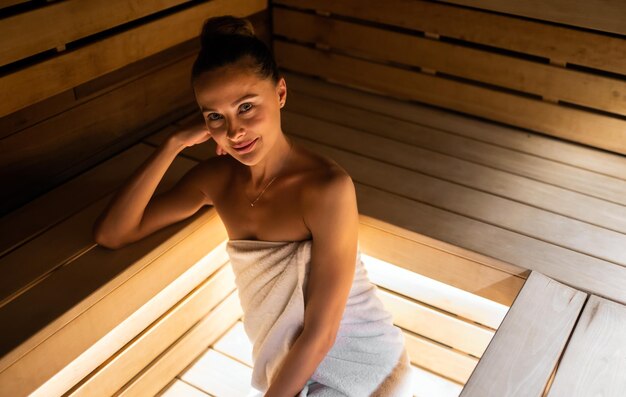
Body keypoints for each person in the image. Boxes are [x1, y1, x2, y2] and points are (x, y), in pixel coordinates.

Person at [93, 15, 412, 397]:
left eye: (246, 107)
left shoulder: (327, 188)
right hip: (294, 369)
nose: (233, 132)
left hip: (360, 363)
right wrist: (174, 143)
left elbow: (322, 333)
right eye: (215, 116)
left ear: (280, 93)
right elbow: (114, 233)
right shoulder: (217, 179)